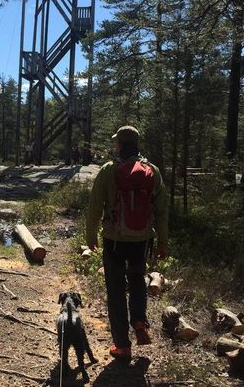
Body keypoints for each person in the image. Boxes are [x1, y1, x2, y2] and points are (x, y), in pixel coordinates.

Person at [86, 125, 168, 361]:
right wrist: (163, 241)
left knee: (115, 290)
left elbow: (94, 207)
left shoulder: (108, 170)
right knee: (137, 281)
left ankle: (122, 346)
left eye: (116, 143)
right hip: (142, 239)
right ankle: (140, 321)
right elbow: (162, 210)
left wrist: (91, 236)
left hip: (114, 240)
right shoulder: (153, 171)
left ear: (120, 144)